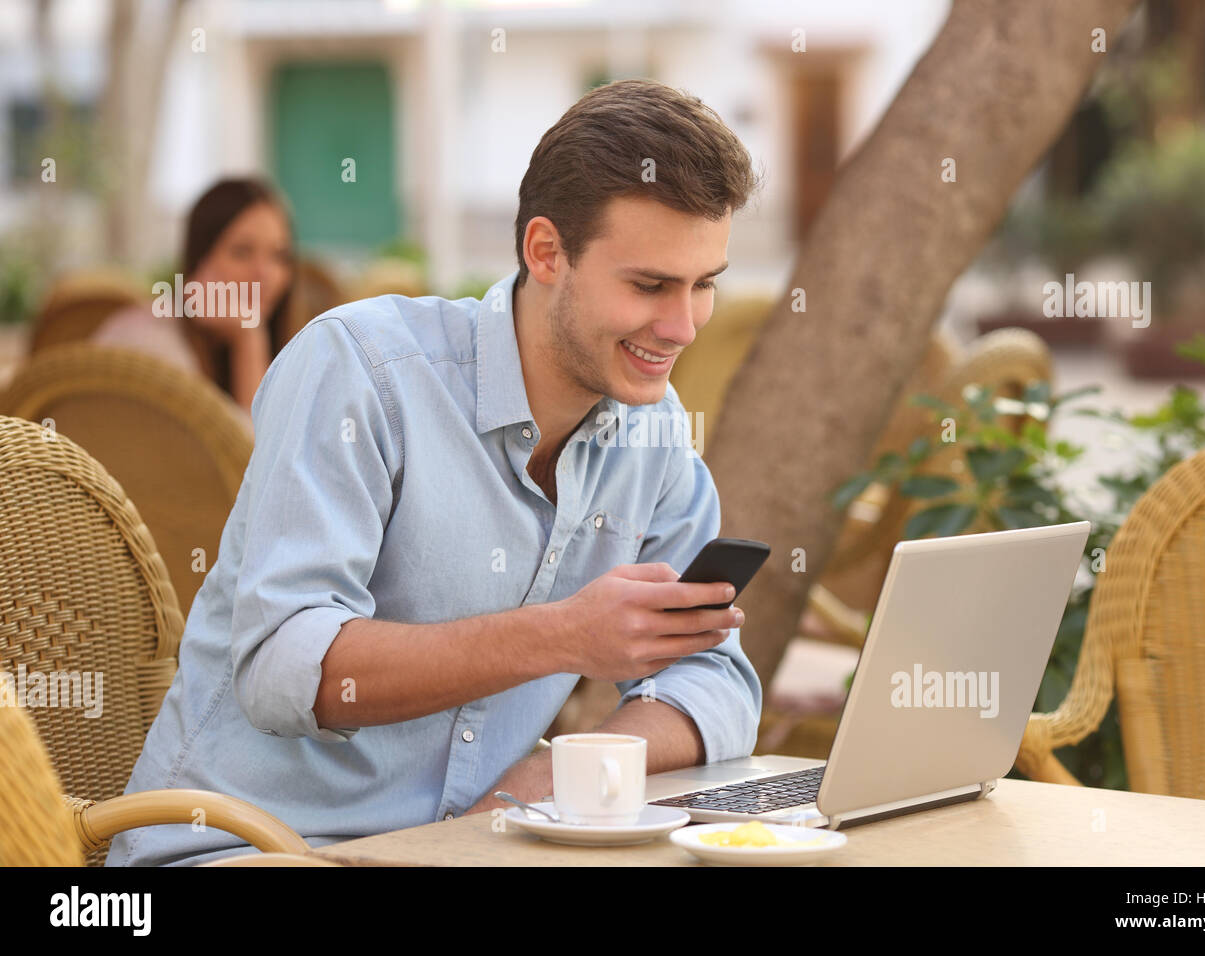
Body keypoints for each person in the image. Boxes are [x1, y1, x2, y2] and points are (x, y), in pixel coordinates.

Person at [107, 78, 764, 866]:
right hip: (247, 848)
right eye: (650, 285)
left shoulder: (654, 436)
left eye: (705, 286)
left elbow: (713, 681)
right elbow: (284, 668)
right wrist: (561, 636)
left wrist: (551, 774)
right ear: (546, 252)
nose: (682, 326)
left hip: (476, 847)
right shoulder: (362, 369)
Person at [91, 177, 296, 416]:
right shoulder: (151, 343)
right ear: (200, 261)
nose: (265, 274)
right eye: (242, 252)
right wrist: (249, 338)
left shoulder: (296, 349)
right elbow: (254, 451)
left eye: (278, 256)